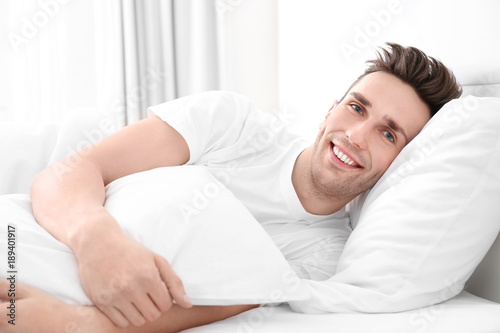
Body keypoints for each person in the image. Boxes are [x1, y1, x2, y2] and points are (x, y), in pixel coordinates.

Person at [1, 43, 462, 333]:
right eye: (357, 108)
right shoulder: (233, 125)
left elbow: (205, 308)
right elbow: (70, 171)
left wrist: (70, 324)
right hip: (26, 231)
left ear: (401, 163)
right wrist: (97, 241)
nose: (356, 136)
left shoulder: (326, 258)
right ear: (329, 110)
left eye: (388, 134)